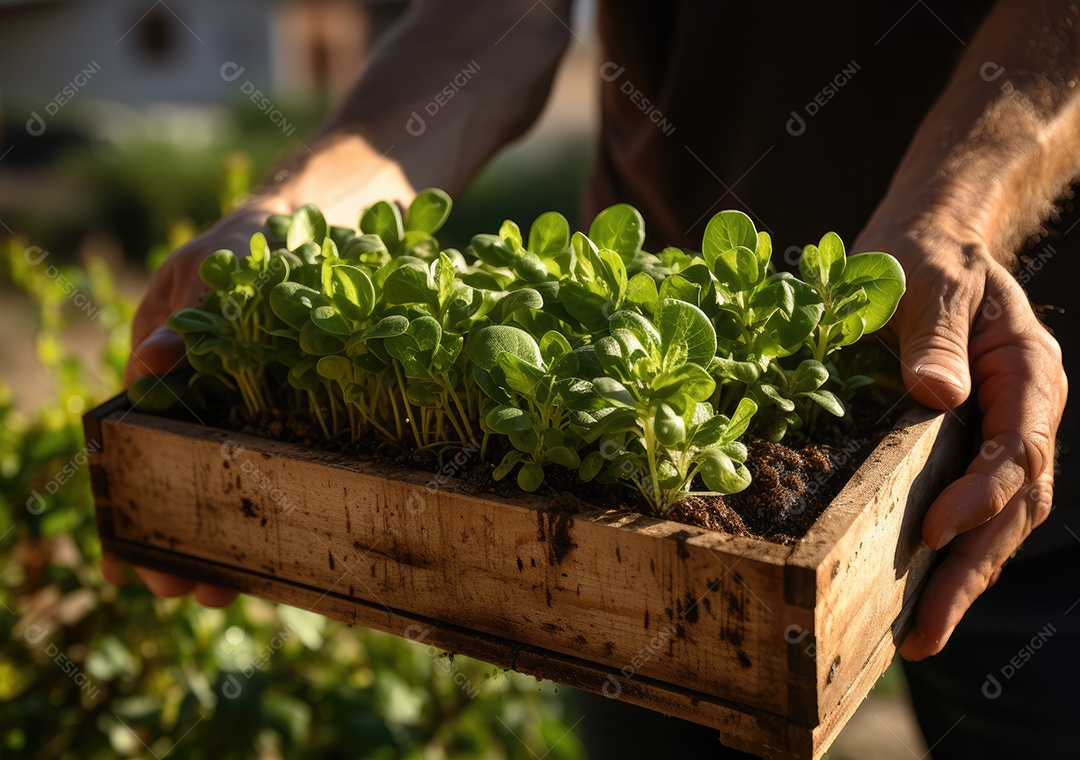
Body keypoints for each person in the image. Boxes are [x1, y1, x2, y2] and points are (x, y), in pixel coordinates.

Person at [109, 0, 1078, 755]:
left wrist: (953, 213)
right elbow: (492, 19)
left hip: (1002, 362)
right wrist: (303, 207)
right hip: (659, 364)